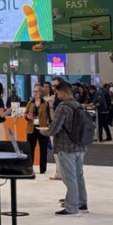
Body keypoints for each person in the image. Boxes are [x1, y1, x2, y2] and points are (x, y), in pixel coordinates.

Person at [41, 81, 88, 217]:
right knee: (78, 175)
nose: (57, 96)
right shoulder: (79, 105)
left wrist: (44, 132)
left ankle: (71, 207)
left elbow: (54, 128)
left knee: (69, 177)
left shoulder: (62, 107)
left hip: (65, 146)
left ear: (62, 92)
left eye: (57, 93)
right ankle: (81, 202)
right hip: (80, 145)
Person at [25, 85, 50, 174]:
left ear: (41, 93)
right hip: (31, 128)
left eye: (37, 91)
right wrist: (27, 116)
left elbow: (49, 116)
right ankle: (29, 168)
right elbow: (25, 114)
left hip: (42, 128)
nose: (35, 93)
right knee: (30, 148)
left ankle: (43, 169)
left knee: (43, 149)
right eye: (34, 91)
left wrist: (48, 126)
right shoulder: (30, 103)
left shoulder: (46, 103)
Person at [48, 77, 65, 181]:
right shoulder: (54, 98)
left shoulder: (60, 99)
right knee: (56, 152)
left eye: (55, 85)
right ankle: (58, 172)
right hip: (56, 127)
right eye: (52, 86)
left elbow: (55, 117)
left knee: (60, 152)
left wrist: (51, 106)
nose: (53, 88)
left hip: (62, 128)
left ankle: (61, 173)